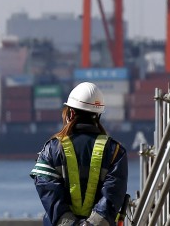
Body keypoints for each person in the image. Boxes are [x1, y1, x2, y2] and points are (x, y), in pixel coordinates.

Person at [30, 82, 128, 226]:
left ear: (71, 112)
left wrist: (70, 223)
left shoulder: (51, 149)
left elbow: (49, 193)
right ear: (98, 115)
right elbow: (112, 194)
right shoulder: (115, 151)